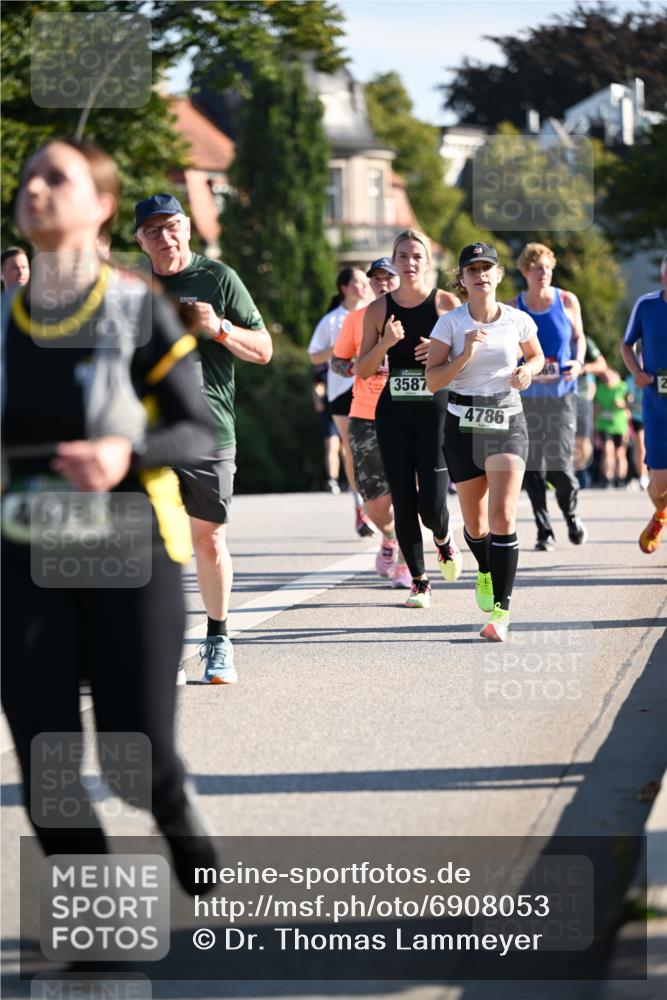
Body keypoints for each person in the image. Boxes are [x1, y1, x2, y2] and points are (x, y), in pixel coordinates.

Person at [1, 138, 217, 893]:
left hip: (130, 550)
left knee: (137, 755)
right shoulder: (2, 322)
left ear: (100, 206)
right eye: (29, 177)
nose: (35, 188)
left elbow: (199, 429)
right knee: (47, 768)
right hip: (25, 558)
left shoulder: (134, 308)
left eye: (56, 178)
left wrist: (128, 454)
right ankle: (99, 930)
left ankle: (173, 808)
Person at [135, 193, 272, 685]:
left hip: (209, 429)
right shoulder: (129, 285)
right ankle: (162, 642)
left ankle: (218, 637)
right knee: (155, 541)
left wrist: (219, 328)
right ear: (139, 239)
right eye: (153, 231)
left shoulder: (218, 278)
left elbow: (264, 350)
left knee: (208, 538)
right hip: (148, 434)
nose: (165, 238)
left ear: (188, 227)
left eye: (171, 227)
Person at [426, 243, 544, 641]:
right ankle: (484, 567)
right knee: (476, 526)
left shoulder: (516, 320)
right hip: (463, 424)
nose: (480, 275)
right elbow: (433, 381)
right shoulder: (451, 324)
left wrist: (528, 372)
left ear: (497, 275)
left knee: (503, 517)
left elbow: (537, 357)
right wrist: (465, 355)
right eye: (472, 269)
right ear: (461, 278)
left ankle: (501, 612)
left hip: (507, 419)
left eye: (486, 268)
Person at [357, 229, 461, 609]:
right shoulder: (379, 309)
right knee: (403, 495)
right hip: (394, 411)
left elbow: (467, 363)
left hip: (435, 409)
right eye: (402, 256)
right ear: (395, 261)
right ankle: (419, 581)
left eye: (417, 256)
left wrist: (439, 352)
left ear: (428, 261)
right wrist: (385, 343)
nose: (409, 263)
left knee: (432, 503)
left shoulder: (447, 304)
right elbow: (362, 369)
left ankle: (444, 538)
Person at [331, 256, 412, 588]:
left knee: (410, 494)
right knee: (374, 503)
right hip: (367, 411)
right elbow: (337, 361)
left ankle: (408, 564)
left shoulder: (417, 314)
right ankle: (389, 536)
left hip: (409, 410)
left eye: (388, 277)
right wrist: (355, 368)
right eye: (376, 279)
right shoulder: (357, 319)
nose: (382, 284)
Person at [514, 243, 587, 551]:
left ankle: (570, 513)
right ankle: (544, 530)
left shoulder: (567, 300)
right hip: (528, 398)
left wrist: (578, 363)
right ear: (525, 271)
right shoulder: (515, 307)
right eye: (536, 267)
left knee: (560, 465)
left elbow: (578, 338)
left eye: (546, 267)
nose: (542, 273)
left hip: (562, 396)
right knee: (532, 466)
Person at [308, 267, 374, 537]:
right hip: (341, 391)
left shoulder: (376, 312)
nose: (363, 286)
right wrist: (341, 349)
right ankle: (360, 505)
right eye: (357, 282)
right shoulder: (332, 321)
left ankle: (381, 500)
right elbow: (314, 356)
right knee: (351, 449)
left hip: (372, 387)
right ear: (344, 288)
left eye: (364, 282)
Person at [621, 254, 667, 554]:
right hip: (656, 407)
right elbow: (627, 344)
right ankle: (660, 514)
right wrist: (637, 373)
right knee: (659, 486)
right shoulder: (647, 304)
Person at [575, 336, 607, 488]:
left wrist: (581, 368)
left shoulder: (585, 340)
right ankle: (565, 475)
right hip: (556, 396)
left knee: (583, 442)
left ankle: (579, 473)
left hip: (581, 396)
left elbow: (602, 365)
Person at [594, 369, 629, 488]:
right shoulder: (600, 388)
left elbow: (629, 403)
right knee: (607, 450)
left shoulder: (622, 387)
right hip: (604, 424)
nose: (607, 379)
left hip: (620, 425)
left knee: (620, 453)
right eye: (605, 377)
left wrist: (622, 404)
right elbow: (597, 406)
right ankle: (608, 478)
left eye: (609, 376)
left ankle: (621, 479)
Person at [626, 372, 649, 489]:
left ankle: (653, 473)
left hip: (653, 413)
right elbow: (628, 397)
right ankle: (643, 476)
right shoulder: (630, 379)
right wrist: (628, 400)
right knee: (640, 444)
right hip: (637, 415)